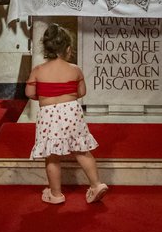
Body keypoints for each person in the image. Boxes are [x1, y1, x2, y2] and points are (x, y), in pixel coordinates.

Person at [26, 24, 109, 205]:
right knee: (81, 149)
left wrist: (46, 94)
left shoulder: (38, 70)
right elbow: (81, 92)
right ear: (68, 48)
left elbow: (29, 93)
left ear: (45, 48)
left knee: (52, 155)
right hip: (71, 111)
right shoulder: (75, 69)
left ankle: (56, 194)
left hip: (48, 114)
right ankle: (96, 184)